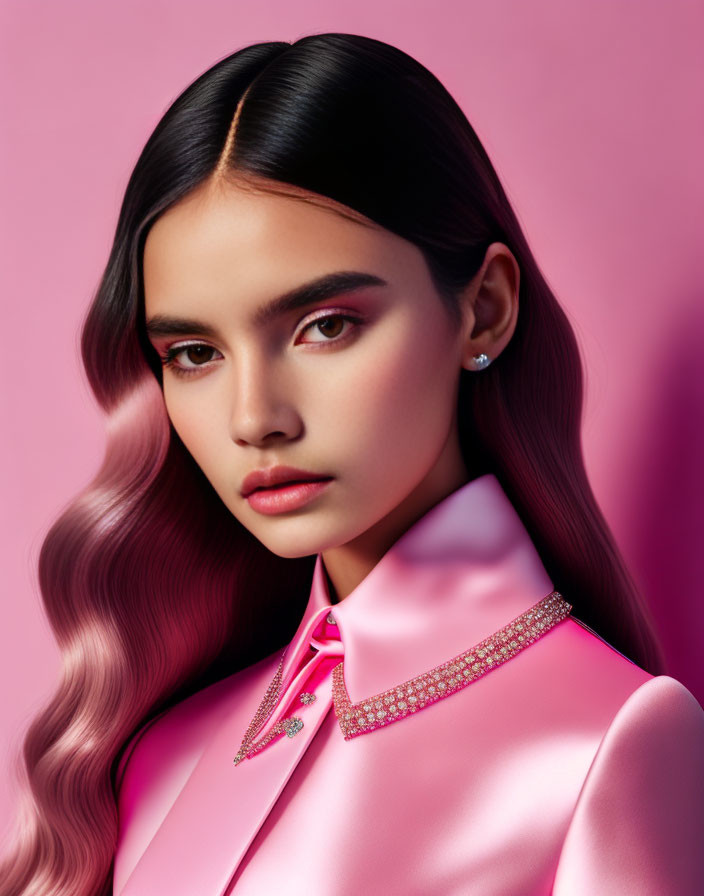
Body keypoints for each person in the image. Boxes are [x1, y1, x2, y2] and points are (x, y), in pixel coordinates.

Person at [2, 32, 703, 896]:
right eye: (192, 352)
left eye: (325, 325)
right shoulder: (164, 751)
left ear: (484, 310)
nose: (255, 418)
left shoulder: (612, 742)